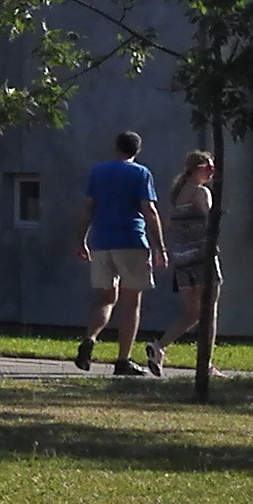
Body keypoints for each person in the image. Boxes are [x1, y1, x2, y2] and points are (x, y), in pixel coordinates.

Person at [77, 131, 164, 376]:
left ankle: (90, 338)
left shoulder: (98, 172)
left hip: (101, 241)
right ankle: (123, 360)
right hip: (131, 240)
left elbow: (87, 208)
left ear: (116, 147)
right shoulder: (141, 173)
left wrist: (81, 240)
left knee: (105, 298)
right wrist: (160, 246)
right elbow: (149, 210)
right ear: (137, 150)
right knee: (131, 303)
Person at [145, 151, 219, 363]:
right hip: (202, 255)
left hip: (182, 258)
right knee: (209, 311)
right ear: (195, 169)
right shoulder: (201, 192)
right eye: (207, 167)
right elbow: (209, 221)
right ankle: (206, 362)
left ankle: (159, 347)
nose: (212, 171)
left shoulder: (178, 194)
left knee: (192, 312)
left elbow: (172, 224)